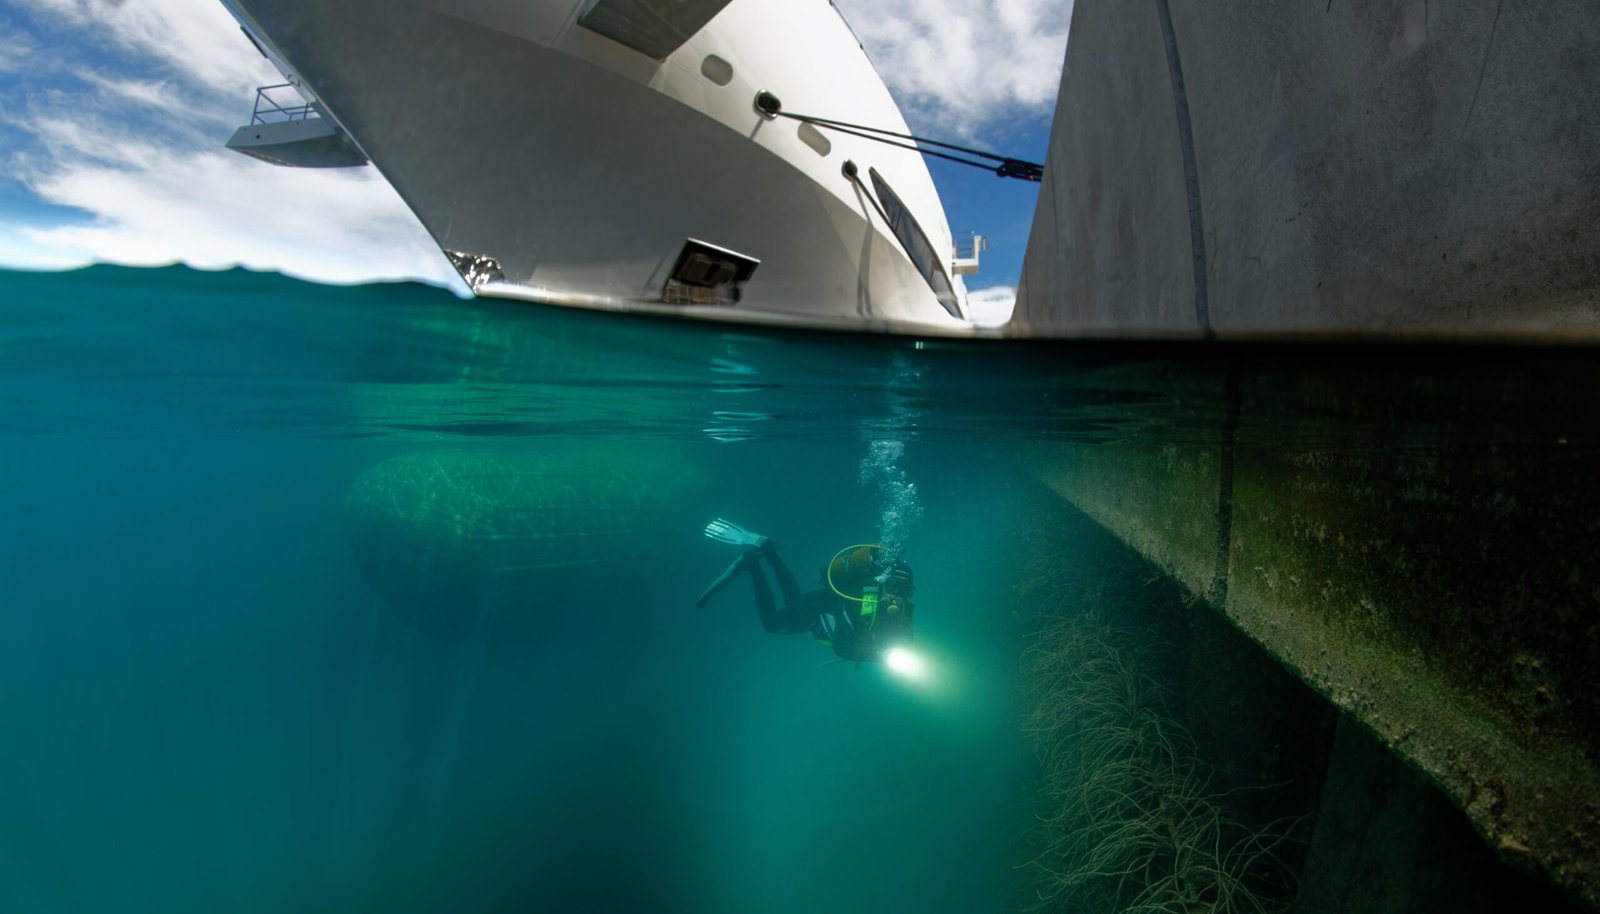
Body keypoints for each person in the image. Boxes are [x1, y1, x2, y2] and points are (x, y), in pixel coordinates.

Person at [696, 518, 915, 665]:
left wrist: (890, 650)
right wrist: (878, 653)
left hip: (821, 608)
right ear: (883, 584)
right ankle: (753, 566)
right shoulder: (866, 598)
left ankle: (770, 553)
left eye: (902, 591)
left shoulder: (902, 612)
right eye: (893, 588)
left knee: (793, 599)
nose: (895, 596)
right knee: (772, 624)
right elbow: (843, 646)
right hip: (820, 609)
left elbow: (904, 639)